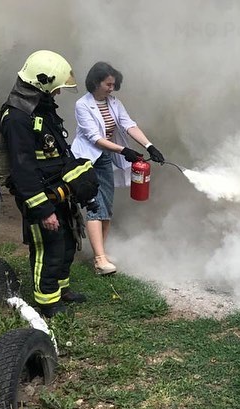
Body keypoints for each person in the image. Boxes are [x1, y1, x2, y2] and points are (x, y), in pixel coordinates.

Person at [0, 50, 98, 318]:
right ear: (42, 83)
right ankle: (47, 303)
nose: (57, 95)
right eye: (55, 89)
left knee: (67, 242)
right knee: (48, 247)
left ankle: (62, 290)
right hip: (40, 196)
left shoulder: (40, 109)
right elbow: (23, 170)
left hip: (57, 190)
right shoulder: (17, 117)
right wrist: (43, 210)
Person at [71, 61, 165, 275]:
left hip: (104, 158)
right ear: (96, 82)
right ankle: (99, 260)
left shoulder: (113, 102)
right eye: (109, 84)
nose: (112, 88)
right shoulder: (82, 105)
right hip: (88, 159)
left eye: (114, 85)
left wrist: (150, 146)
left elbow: (129, 124)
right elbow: (95, 138)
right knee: (95, 205)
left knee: (107, 205)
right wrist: (124, 151)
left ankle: (101, 252)